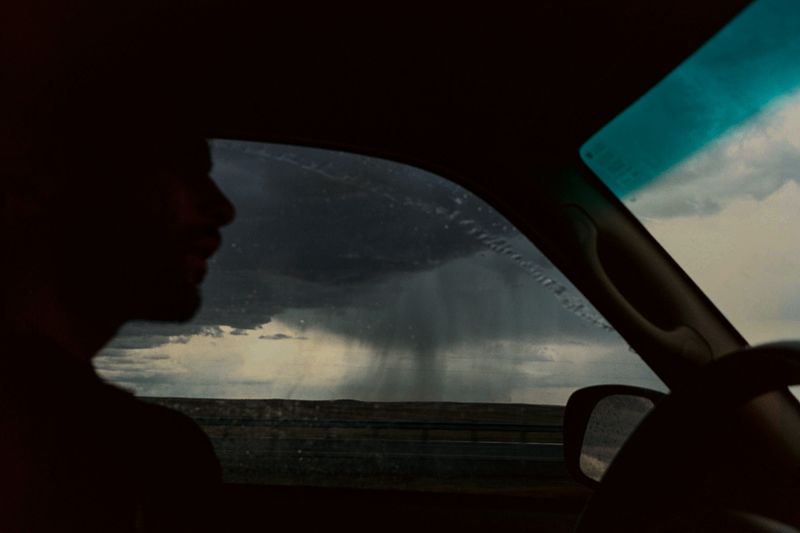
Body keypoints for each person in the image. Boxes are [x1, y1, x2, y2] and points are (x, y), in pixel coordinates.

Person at [0, 61, 236, 531]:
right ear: (38, 179)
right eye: (184, 170)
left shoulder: (124, 443)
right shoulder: (139, 452)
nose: (223, 209)